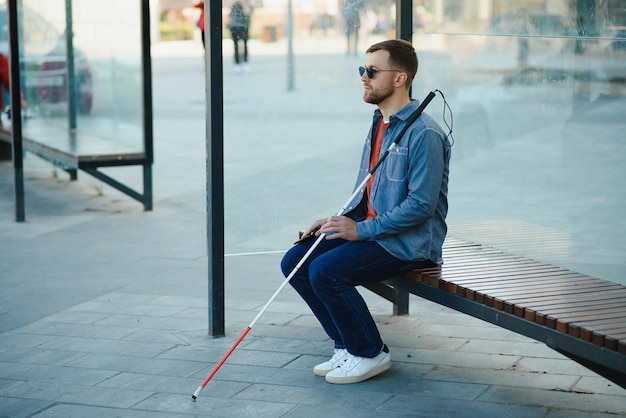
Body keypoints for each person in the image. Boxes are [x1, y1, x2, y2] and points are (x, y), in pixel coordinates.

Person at [280, 39, 451, 384]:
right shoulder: (379, 123)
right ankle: (346, 345)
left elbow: (421, 207)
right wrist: (336, 221)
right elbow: (367, 192)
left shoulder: (425, 134)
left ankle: (369, 352)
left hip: (408, 243)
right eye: (363, 70)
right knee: (295, 261)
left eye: (372, 71)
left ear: (400, 78)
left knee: (326, 272)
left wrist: (360, 232)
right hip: (373, 229)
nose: (363, 77)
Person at [227, 1, 253, 73]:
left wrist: (244, 4)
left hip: (244, 28)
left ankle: (245, 62)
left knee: (245, 45)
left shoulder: (247, 4)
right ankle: (237, 63)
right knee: (235, 46)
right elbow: (230, 16)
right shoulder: (234, 5)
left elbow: (248, 12)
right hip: (235, 27)